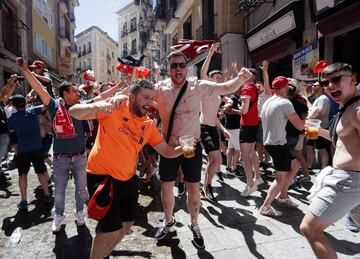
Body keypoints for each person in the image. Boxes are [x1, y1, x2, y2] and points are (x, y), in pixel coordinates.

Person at [68, 79, 184, 259]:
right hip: (102, 176)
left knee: (128, 222)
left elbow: (166, 151)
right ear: (131, 96)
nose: (149, 102)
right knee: (109, 230)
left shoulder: (148, 125)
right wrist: (98, 107)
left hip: (128, 178)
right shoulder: (114, 108)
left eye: (151, 98)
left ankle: (104, 253)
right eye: (145, 97)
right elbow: (73, 111)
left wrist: (182, 149)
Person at [154, 50, 251, 248]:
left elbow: (225, 87)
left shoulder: (197, 86)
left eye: (181, 65)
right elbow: (139, 95)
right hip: (169, 147)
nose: (178, 69)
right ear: (168, 69)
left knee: (193, 189)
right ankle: (169, 219)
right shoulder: (160, 88)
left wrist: (240, 79)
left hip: (192, 147)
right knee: (166, 189)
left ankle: (195, 225)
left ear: (187, 67)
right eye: (174, 66)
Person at [17, 58, 88, 232]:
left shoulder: (82, 106)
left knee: (81, 189)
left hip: (79, 157)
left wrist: (122, 86)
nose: (78, 94)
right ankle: (59, 215)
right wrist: (26, 71)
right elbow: (40, 89)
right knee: (60, 190)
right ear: (65, 93)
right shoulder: (54, 106)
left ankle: (79, 212)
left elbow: (102, 97)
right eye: (74, 91)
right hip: (60, 158)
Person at [300, 63, 360, 259]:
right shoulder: (347, 107)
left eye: (336, 80)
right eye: (326, 83)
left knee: (309, 228)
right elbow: (343, 138)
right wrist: (317, 130)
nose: (330, 86)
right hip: (350, 181)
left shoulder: (357, 110)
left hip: (349, 182)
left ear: (353, 79)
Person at [259, 76, 305, 216]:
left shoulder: (269, 101)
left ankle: (283, 197)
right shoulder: (285, 103)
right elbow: (299, 126)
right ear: (285, 87)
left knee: (295, 164)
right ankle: (265, 207)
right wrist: (309, 118)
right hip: (277, 143)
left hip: (274, 142)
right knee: (280, 178)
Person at [7, 94, 53, 210]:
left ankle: (23, 201)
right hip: (37, 147)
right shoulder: (33, 111)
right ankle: (47, 195)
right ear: (24, 103)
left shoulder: (12, 118)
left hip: (23, 150)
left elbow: (11, 132)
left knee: (22, 175)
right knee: (41, 172)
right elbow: (47, 104)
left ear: (14, 105)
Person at [199, 43, 231, 201]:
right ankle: (207, 186)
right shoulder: (205, 90)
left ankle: (205, 186)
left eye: (220, 78)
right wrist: (210, 52)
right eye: (216, 78)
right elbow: (202, 73)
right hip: (202, 127)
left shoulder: (219, 97)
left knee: (214, 160)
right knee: (217, 159)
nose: (218, 80)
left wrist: (223, 128)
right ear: (210, 80)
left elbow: (215, 116)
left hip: (213, 127)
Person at [239, 68, 262, 197]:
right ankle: (257, 177)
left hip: (246, 124)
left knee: (245, 156)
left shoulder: (247, 88)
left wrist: (237, 110)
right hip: (253, 124)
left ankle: (250, 184)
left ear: (249, 76)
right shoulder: (255, 87)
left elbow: (244, 110)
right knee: (252, 152)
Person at [306, 81, 331, 169]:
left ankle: (324, 168)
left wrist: (310, 116)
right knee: (309, 146)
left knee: (322, 148)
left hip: (320, 127)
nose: (312, 87)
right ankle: (309, 166)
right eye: (312, 85)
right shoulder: (318, 98)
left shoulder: (322, 98)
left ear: (321, 87)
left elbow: (321, 112)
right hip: (313, 127)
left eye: (315, 85)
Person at [0, 74, 17, 180]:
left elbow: (6, 95)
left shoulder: (1, 103)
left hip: (3, 131)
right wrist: (10, 81)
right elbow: (3, 94)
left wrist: (13, 84)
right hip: (1, 131)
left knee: (2, 152)